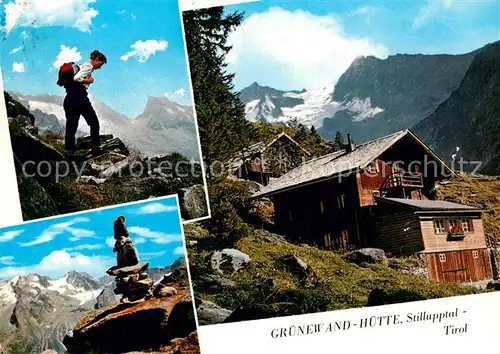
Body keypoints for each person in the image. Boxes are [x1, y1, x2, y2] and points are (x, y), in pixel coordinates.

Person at [63, 50, 107, 157]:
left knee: (71, 126)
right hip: (79, 98)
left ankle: (70, 151)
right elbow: (76, 78)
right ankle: (95, 148)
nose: (100, 67)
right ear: (96, 60)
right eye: (100, 64)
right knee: (94, 122)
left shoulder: (80, 66)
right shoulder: (88, 67)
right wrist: (89, 81)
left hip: (69, 98)